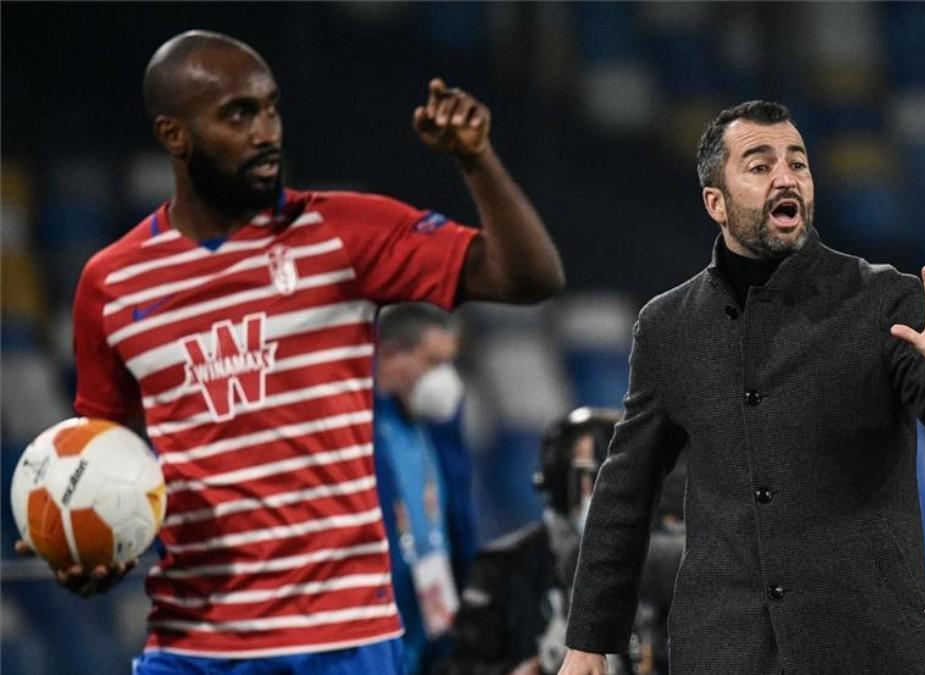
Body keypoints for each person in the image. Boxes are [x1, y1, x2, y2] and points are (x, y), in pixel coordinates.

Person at [15, 29, 564, 674]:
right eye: (238, 115)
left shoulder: (344, 231)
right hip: (192, 650)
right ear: (174, 135)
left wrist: (477, 161)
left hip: (341, 645)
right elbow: (107, 461)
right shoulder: (110, 284)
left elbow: (530, 277)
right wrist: (94, 554)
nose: (267, 131)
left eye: (271, 108)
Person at [559, 100, 925, 675]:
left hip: (868, 648)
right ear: (715, 203)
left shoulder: (885, 301)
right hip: (726, 652)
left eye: (797, 164)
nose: (786, 177)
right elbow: (626, 489)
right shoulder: (669, 325)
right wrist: (588, 642)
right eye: (759, 165)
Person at [439, 407, 684, 675]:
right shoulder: (505, 565)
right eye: (591, 476)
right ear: (558, 480)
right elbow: (457, 666)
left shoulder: (661, 561)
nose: (605, 491)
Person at [374, 303, 476, 674]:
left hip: (428, 637)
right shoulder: (362, 430)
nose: (445, 378)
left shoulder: (432, 429)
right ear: (391, 355)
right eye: (434, 362)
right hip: (378, 636)